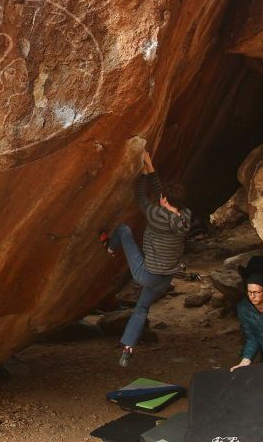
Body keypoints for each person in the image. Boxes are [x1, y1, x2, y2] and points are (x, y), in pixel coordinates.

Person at [100, 149, 192, 367]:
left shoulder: (156, 215)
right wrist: (150, 169)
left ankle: (109, 248)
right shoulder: (185, 215)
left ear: (163, 201)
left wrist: (143, 176)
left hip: (147, 273)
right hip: (166, 278)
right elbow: (164, 196)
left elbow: (140, 197)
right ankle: (127, 349)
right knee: (141, 308)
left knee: (123, 230)